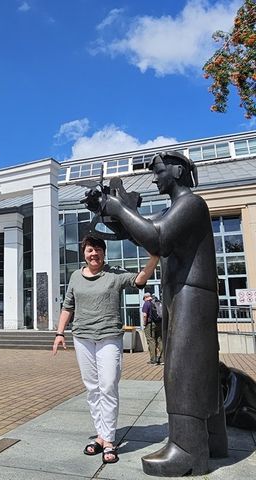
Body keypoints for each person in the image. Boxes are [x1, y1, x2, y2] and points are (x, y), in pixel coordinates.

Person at [102, 151, 227, 476]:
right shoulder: (179, 208)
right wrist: (119, 212)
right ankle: (212, 438)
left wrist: (119, 209)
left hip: (192, 295)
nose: (154, 177)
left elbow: (156, 238)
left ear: (178, 169)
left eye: (158, 171)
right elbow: (149, 234)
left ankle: (188, 449)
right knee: (197, 365)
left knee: (182, 368)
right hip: (183, 294)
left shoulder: (191, 204)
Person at [53, 234, 159, 465]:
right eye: (90, 250)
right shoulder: (74, 276)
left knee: (108, 386)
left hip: (109, 337)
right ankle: (101, 436)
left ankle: (109, 440)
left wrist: (154, 259)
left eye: (98, 250)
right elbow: (67, 306)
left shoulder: (114, 274)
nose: (94, 254)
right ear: (84, 254)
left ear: (104, 253)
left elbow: (139, 280)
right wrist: (60, 333)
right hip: (82, 337)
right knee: (92, 388)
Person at [141, 292, 163, 365]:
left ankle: (153, 360)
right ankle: (162, 359)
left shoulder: (146, 303)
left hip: (150, 324)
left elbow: (145, 315)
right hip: (159, 323)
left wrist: (144, 323)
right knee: (160, 340)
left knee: (151, 341)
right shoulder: (158, 302)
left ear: (145, 297)